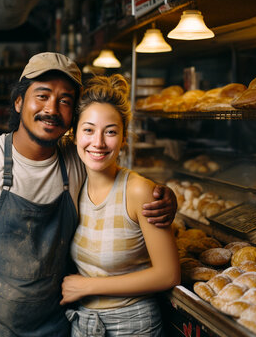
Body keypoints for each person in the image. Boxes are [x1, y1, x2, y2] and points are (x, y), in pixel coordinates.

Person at [0, 52, 177, 337]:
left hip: (56, 328)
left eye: (65, 101)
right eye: (43, 95)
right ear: (19, 101)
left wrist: (163, 195)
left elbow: (114, 174)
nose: (52, 108)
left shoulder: (75, 161)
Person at [59, 74, 180, 336]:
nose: (98, 142)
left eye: (111, 131)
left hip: (133, 324)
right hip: (83, 324)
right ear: (74, 134)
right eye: (88, 129)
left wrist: (89, 287)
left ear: (124, 138)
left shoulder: (138, 191)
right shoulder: (74, 184)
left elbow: (168, 274)